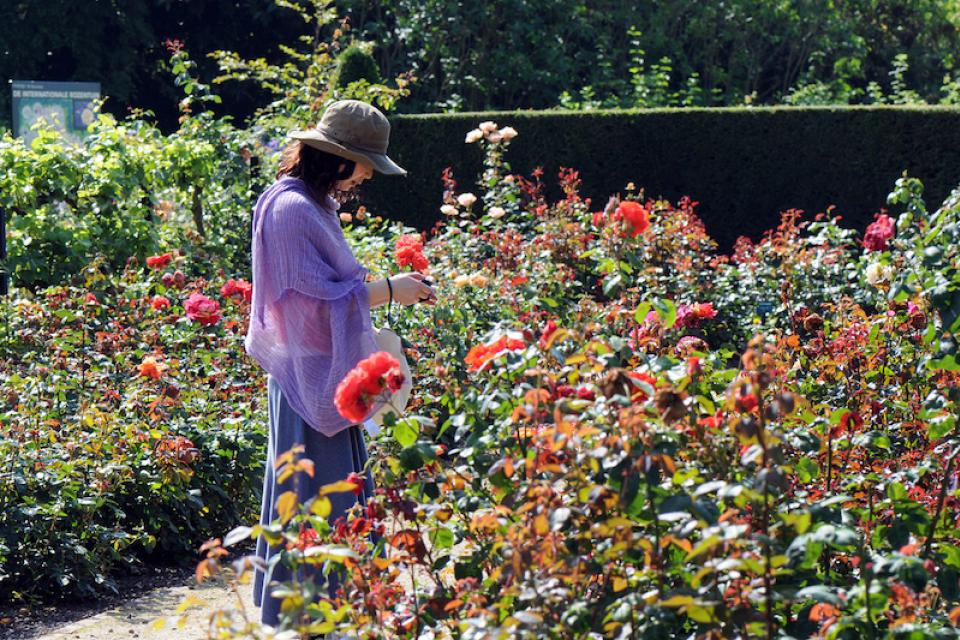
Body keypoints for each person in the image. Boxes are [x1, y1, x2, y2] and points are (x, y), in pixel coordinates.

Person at [243, 99, 436, 628]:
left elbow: (327, 291)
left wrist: (386, 292)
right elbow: (310, 303)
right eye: (368, 166)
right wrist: (390, 289)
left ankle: (344, 604)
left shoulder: (310, 203)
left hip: (322, 368)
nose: (368, 177)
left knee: (331, 488)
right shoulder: (291, 209)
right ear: (339, 158)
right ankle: (313, 611)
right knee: (316, 490)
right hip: (310, 375)